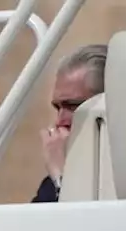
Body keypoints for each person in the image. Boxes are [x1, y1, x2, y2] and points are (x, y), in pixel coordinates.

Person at [33, 44, 106, 203]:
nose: (60, 122)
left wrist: (62, 177)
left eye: (72, 106)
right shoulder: (49, 185)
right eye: (57, 107)